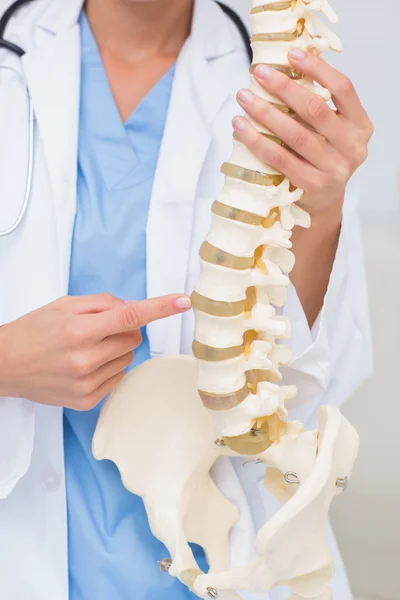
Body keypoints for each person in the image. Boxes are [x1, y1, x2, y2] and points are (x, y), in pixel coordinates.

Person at [0, 0, 374, 598]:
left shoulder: (285, 98)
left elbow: (305, 388)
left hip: (232, 555)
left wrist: (322, 208)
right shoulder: (13, 64)